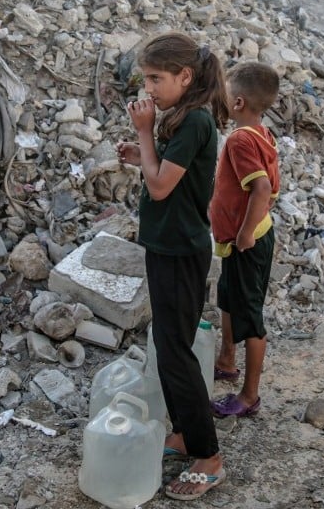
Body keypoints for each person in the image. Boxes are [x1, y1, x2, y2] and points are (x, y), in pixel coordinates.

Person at [116, 32, 228, 501]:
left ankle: (209, 458)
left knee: (176, 352)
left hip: (181, 252)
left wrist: (144, 135)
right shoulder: (183, 117)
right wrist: (142, 155)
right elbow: (165, 176)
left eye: (156, 78)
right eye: (146, 78)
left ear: (185, 77)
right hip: (166, 246)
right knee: (168, 344)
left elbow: (161, 188)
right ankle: (182, 432)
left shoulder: (197, 122)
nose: (148, 88)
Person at [208, 62, 281, 418]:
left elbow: (263, 188)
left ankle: (249, 395)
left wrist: (245, 232)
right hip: (241, 240)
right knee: (228, 297)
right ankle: (226, 359)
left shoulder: (240, 139)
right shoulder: (260, 133)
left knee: (249, 315)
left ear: (237, 103)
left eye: (223, 94)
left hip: (247, 243)